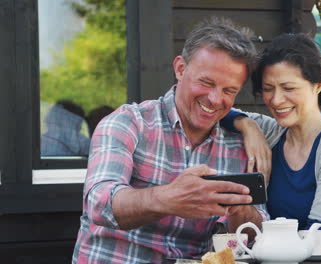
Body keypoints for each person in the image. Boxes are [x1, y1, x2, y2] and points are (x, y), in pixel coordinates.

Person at [72, 17, 269, 264]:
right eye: (206, 83)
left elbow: (255, 233)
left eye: (229, 91)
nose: (215, 99)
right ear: (180, 69)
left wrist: (240, 209)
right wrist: (168, 198)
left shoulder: (240, 144)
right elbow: (99, 204)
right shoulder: (128, 122)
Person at [222, 33, 321, 250]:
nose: (276, 99)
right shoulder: (272, 132)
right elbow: (219, 110)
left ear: (318, 85)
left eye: (289, 88)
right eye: (268, 89)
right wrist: (247, 125)